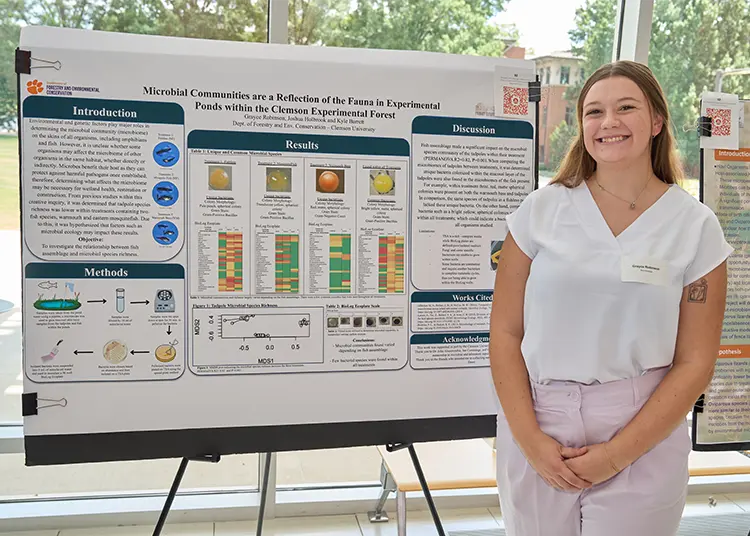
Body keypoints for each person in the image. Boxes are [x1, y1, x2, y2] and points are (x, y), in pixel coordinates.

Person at [489, 60, 733, 536]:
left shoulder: (694, 226)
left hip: (643, 427)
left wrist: (616, 455)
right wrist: (529, 439)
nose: (609, 123)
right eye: (594, 112)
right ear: (582, 127)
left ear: (657, 121)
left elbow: (696, 363)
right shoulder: (540, 212)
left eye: (626, 108)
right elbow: (504, 332)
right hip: (539, 422)